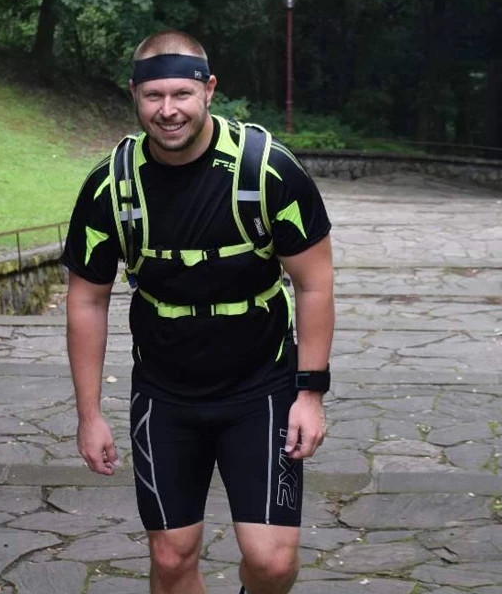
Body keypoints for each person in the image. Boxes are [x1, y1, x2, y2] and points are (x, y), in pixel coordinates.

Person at [62, 30, 334, 594]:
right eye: (153, 95)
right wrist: (89, 415)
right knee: (171, 558)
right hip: (165, 393)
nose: (168, 110)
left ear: (209, 89)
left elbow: (314, 284)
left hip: (261, 388)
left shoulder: (267, 171)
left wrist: (310, 394)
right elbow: (87, 299)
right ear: (134, 95)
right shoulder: (111, 186)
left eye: (182, 93)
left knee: (272, 562)